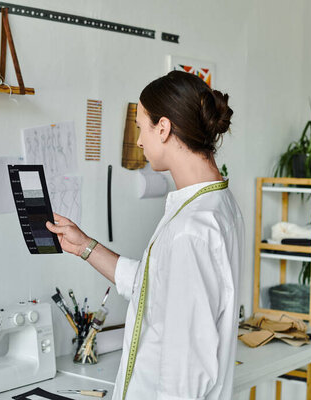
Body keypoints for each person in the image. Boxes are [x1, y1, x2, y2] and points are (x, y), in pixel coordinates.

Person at [46, 70, 244, 400]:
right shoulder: (217, 205)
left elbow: (185, 371)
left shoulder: (190, 231)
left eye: (142, 127)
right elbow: (157, 285)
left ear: (163, 128)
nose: (138, 140)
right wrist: (86, 247)